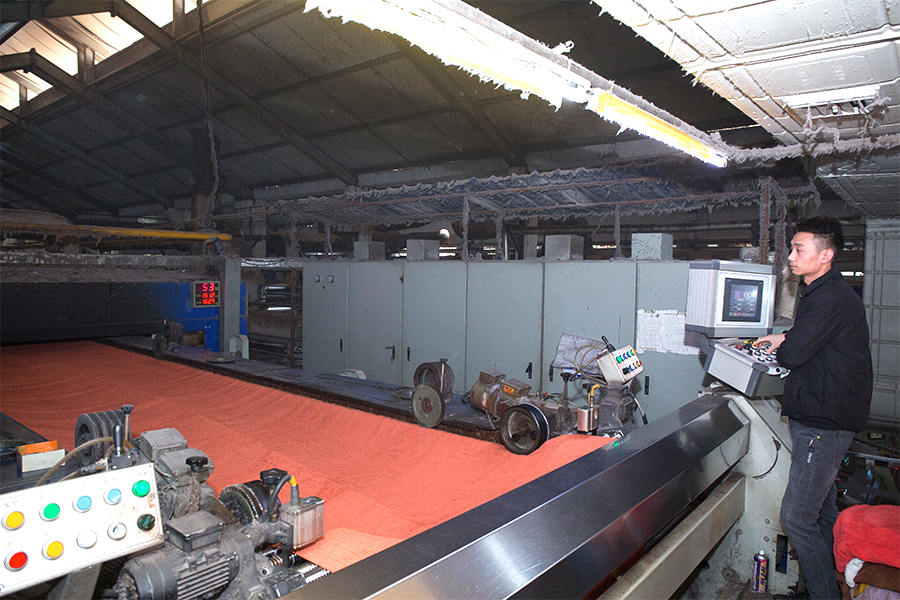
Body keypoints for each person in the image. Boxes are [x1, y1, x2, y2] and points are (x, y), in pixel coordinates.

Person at [753, 216, 872, 599]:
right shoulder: (824, 293)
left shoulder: (829, 297)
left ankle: (826, 594)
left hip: (823, 425)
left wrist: (783, 345)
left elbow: (795, 354)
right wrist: (785, 336)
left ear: (826, 255)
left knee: (796, 518)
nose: (790, 256)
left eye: (798, 249)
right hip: (823, 418)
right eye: (792, 248)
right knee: (821, 511)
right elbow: (810, 338)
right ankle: (842, 580)